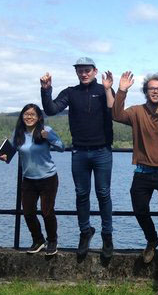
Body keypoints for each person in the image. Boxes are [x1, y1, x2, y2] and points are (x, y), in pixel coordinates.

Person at [41, 57, 115, 261]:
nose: (84, 74)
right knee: (81, 194)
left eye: (87, 70)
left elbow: (114, 109)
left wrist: (109, 88)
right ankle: (85, 232)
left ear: (95, 71)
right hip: (79, 151)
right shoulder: (70, 92)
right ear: (76, 73)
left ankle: (107, 236)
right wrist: (46, 90)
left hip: (102, 150)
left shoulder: (103, 90)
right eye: (80, 70)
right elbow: (51, 109)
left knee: (103, 194)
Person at [112, 71, 158, 265]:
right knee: (140, 209)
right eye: (151, 88)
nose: (155, 91)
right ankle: (152, 240)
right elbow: (116, 115)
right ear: (145, 91)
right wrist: (121, 91)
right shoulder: (136, 111)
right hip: (143, 172)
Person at [0, 104, 65, 255]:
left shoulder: (46, 130)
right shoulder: (18, 133)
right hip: (28, 179)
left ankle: (52, 240)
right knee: (28, 212)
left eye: (32, 114)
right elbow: (10, 152)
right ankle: (38, 240)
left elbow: (61, 147)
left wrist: (49, 138)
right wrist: (3, 156)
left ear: (39, 117)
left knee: (47, 212)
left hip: (48, 178)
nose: (29, 117)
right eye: (26, 114)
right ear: (22, 116)